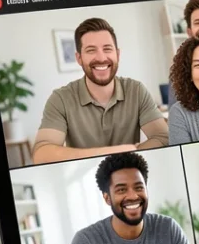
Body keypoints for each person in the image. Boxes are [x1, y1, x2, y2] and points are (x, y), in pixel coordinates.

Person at [33, 18, 169, 164]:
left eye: (107, 49)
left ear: (117, 54)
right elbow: (41, 154)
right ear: (79, 58)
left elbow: (163, 137)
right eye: (91, 50)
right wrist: (115, 153)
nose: (101, 57)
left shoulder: (136, 90)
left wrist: (129, 154)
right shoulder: (60, 99)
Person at [63, 152, 197, 244]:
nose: (133, 196)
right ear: (107, 198)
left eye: (139, 187)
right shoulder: (85, 241)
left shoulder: (168, 227)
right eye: (121, 189)